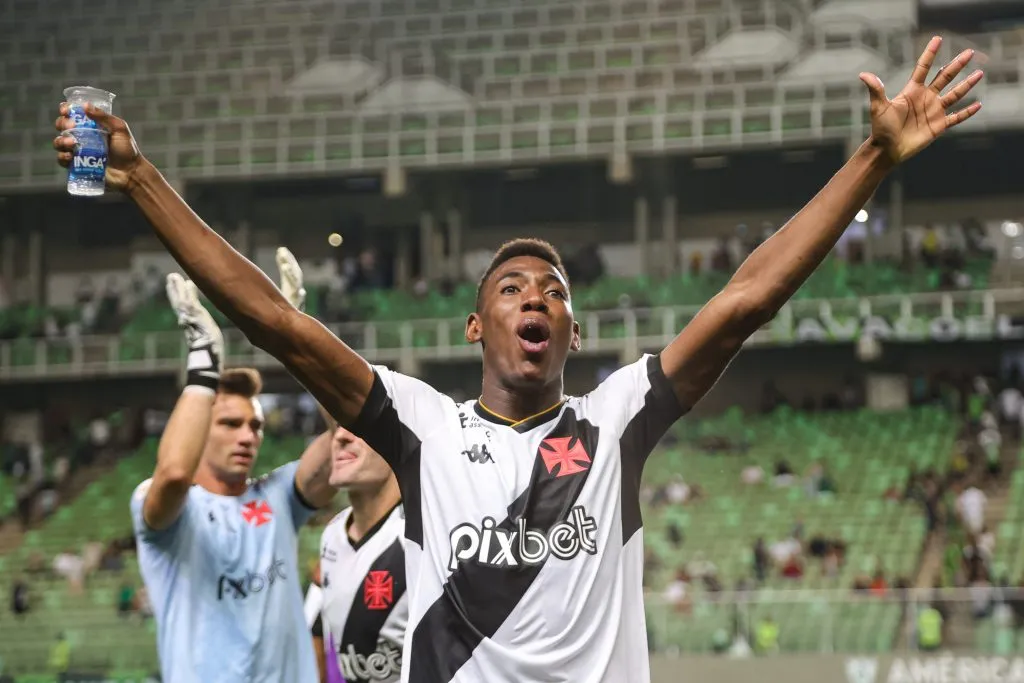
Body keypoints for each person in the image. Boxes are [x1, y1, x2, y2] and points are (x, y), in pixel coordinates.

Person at [54, 37, 982, 682]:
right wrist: (141, 180)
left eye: (555, 289)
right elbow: (278, 324)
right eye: (511, 287)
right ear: (473, 326)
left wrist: (872, 157)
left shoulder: (617, 421)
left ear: (574, 333)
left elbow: (743, 301)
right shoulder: (420, 429)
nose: (536, 294)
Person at [126, 253, 336, 683]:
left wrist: (294, 340)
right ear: (199, 424)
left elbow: (346, 435)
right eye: (230, 423)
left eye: (254, 425)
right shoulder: (164, 509)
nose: (247, 436)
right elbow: (174, 474)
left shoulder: (279, 496)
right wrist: (203, 364)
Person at [318, 426, 406, 683]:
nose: (340, 436)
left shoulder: (425, 531)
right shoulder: (333, 533)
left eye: (359, 427)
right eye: (336, 427)